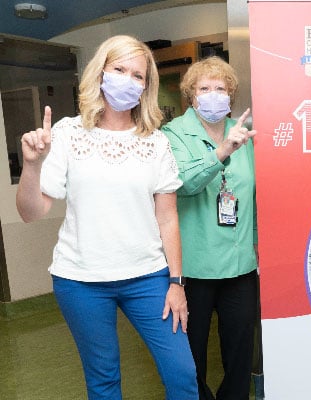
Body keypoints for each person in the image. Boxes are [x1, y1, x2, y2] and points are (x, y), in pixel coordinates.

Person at [15, 35, 198, 400]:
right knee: (103, 381)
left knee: (182, 374)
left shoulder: (156, 142)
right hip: (81, 280)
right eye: (119, 69)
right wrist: (32, 166)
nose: (128, 80)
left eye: (137, 75)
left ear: (146, 86)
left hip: (148, 278)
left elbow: (167, 218)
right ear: (100, 72)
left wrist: (176, 282)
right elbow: (31, 213)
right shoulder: (67, 134)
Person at [161, 56, 258, 400]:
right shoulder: (172, 135)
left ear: (231, 94)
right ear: (191, 95)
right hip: (194, 270)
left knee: (239, 357)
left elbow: (255, 197)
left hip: (241, 267)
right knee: (191, 359)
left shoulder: (246, 134)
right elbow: (183, 183)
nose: (213, 95)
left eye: (220, 88)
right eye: (204, 88)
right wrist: (221, 152)